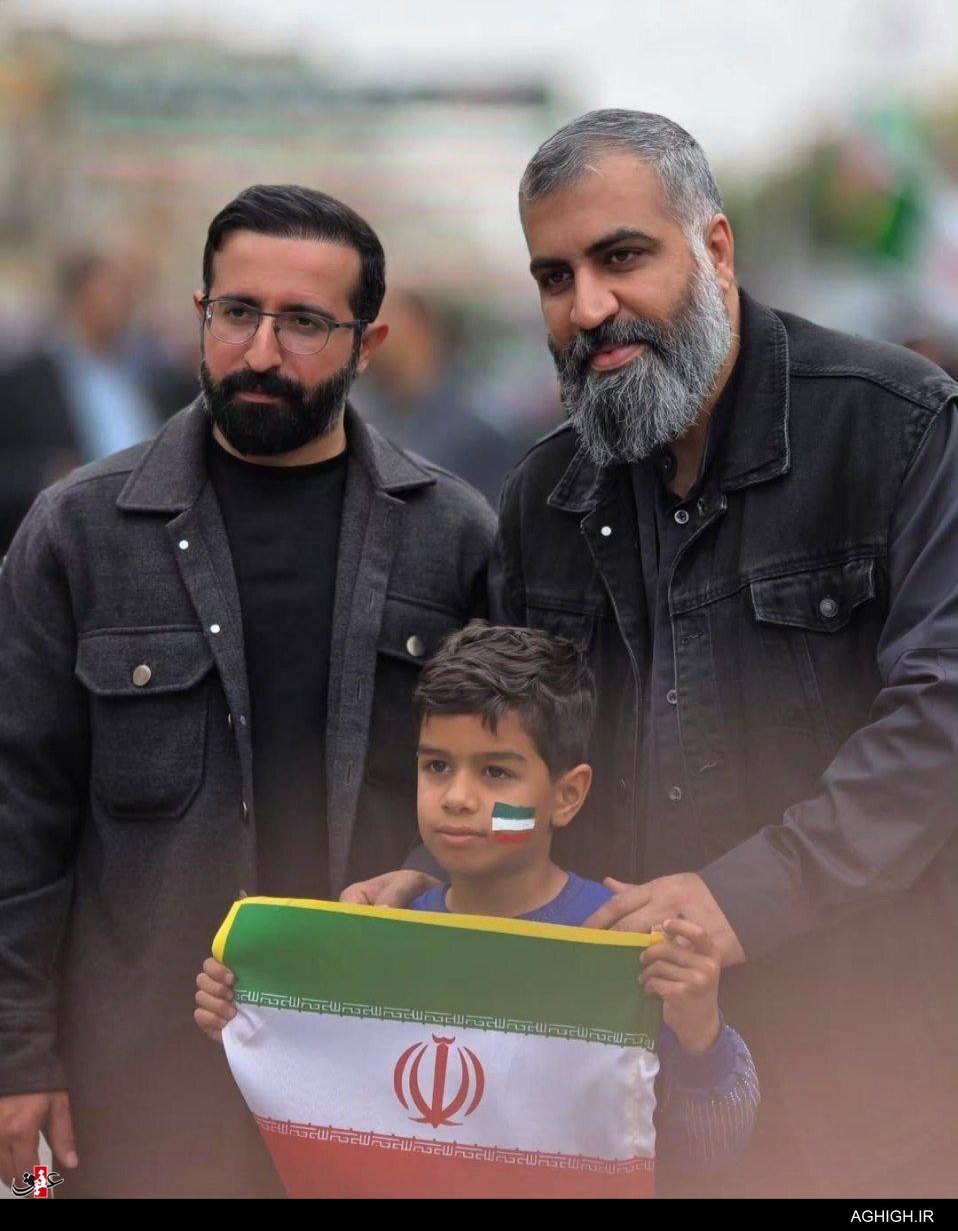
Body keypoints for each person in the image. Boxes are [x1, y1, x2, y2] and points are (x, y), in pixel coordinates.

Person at [344, 111, 958, 1199]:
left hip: (867, 1071)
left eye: (621, 256)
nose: (588, 307)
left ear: (714, 249)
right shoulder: (544, 492)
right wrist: (446, 871)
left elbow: (940, 717)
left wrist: (742, 898)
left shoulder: (896, 427)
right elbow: (514, 750)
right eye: (554, 276)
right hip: (620, 1088)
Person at [0, 184, 495, 1199]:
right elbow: (18, 809)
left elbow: (519, 794)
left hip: (386, 1076)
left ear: (368, 342)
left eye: (304, 322)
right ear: (198, 315)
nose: (261, 351)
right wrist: (18, 1051)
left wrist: (427, 876)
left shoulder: (453, 538)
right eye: (237, 313)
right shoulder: (81, 532)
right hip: (138, 1088)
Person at [196, 623, 759, 1183]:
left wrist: (701, 1036)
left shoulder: (623, 947)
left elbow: (715, 1151)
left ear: (567, 795)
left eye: (495, 772)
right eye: (437, 766)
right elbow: (331, 1098)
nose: (458, 798)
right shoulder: (381, 939)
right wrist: (251, 1019)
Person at [0, 250, 180, 552]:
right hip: (71, 543)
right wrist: (48, 474)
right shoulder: (25, 383)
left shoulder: (150, 376)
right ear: (78, 295)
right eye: (111, 288)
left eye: (127, 290)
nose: (124, 301)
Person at [352, 288, 517, 505]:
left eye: (384, 329)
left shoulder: (473, 431)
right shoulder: (366, 420)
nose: (369, 341)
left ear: (422, 333)